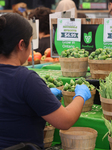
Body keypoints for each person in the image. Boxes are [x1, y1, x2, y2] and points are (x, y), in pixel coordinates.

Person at [0, 13, 91, 150]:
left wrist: (42, 96)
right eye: (30, 42)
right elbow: (65, 121)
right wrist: (80, 96)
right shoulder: (27, 80)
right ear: (21, 44)